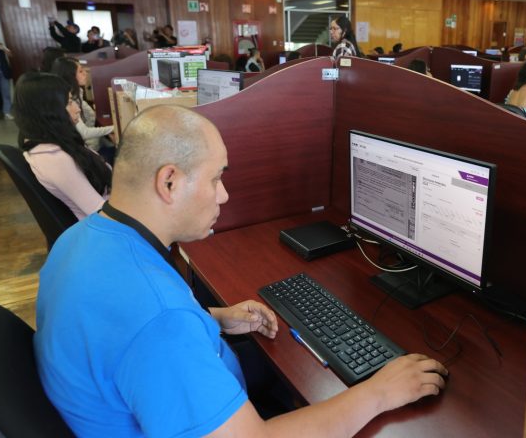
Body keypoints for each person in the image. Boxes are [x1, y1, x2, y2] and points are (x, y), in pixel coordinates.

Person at [33, 105, 447, 437]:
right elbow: (154, 329)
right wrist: (378, 393)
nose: (224, 194)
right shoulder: (160, 324)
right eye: (216, 178)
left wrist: (211, 318)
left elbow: (114, 332)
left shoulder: (80, 239)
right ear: (170, 182)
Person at [14, 72, 112, 219]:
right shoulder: (55, 159)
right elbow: (100, 213)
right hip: (110, 226)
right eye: (69, 102)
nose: (77, 108)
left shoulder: (52, 141)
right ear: (49, 111)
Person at [51, 57, 115, 156]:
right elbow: (84, 133)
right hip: (89, 151)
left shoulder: (77, 93)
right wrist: (114, 128)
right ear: (70, 76)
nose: (85, 73)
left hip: (93, 146)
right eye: (80, 71)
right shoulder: (70, 100)